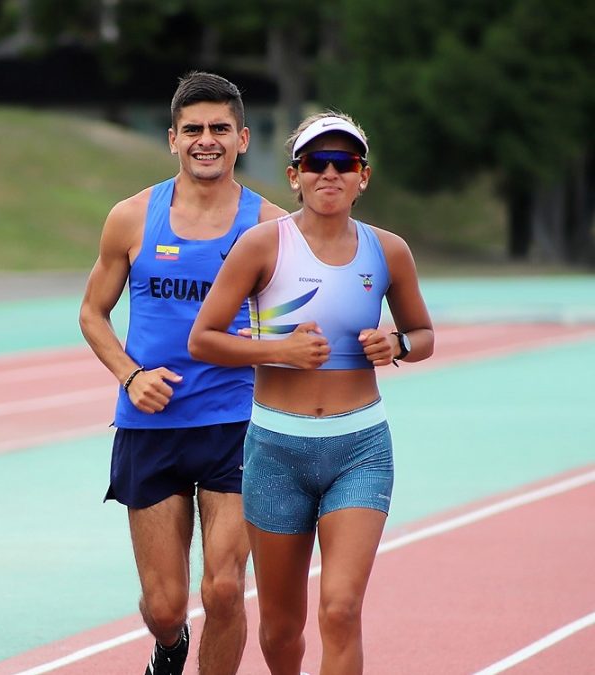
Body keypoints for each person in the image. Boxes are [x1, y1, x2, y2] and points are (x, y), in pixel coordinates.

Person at [188, 111, 434, 674]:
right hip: (276, 449)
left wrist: (396, 344)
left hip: (360, 449)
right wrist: (277, 350)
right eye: (316, 163)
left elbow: (424, 336)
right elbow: (202, 340)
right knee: (280, 628)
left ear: (362, 177)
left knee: (342, 608)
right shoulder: (261, 246)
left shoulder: (389, 251)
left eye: (343, 163)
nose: (330, 173)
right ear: (294, 175)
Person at [79, 71, 286, 675]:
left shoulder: (270, 226)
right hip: (151, 425)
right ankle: (169, 650)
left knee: (224, 589)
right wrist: (129, 374)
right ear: (172, 138)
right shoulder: (132, 217)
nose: (207, 140)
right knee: (165, 605)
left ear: (242, 138)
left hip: (238, 425)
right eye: (193, 129)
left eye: (220, 129)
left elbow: (297, 324)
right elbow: (92, 313)